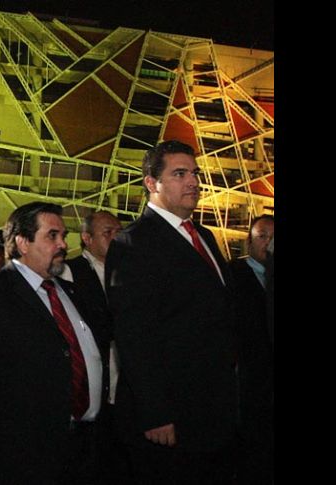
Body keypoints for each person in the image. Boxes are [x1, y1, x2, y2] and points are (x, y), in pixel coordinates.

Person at [0, 202, 110, 484]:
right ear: (22, 242)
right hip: (22, 448)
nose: (62, 244)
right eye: (52, 235)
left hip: (83, 445)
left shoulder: (71, 292)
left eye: (63, 235)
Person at [105, 140, 237, 484]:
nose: (193, 181)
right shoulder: (133, 242)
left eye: (194, 173)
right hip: (169, 421)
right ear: (152, 183)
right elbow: (134, 335)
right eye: (179, 174)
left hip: (212, 412)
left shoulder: (204, 236)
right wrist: (156, 412)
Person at [66, 210, 133, 485]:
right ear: (86, 238)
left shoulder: (131, 273)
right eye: (108, 233)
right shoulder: (71, 272)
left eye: (119, 232)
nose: (116, 238)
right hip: (90, 387)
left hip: (126, 387)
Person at [228, 215, 274, 484]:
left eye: (272, 237)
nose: (268, 243)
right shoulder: (234, 274)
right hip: (250, 381)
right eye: (262, 236)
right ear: (248, 242)